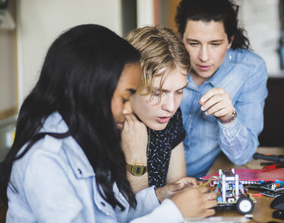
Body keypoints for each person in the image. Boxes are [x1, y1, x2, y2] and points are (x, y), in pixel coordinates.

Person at [0, 24, 217, 222]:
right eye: (124, 97)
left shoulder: (87, 135)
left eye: (179, 91)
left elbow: (111, 213)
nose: (127, 109)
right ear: (92, 91)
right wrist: (173, 213)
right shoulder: (45, 157)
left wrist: (160, 196)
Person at [175, 0, 268, 178]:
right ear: (181, 38)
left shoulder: (250, 69)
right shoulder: (164, 63)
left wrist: (228, 119)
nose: (203, 57)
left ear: (230, 41)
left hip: (206, 182)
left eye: (215, 44)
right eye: (193, 43)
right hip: (154, 184)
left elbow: (242, 156)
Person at [123, 26, 190, 193]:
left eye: (179, 91)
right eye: (158, 92)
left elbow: (177, 188)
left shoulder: (170, 117)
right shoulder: (106, 125)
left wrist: (167, 193)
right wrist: (136, 157)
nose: (171, 107)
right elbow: (127, 214)